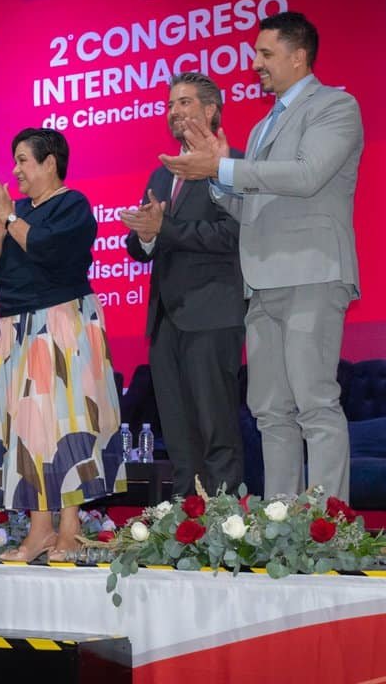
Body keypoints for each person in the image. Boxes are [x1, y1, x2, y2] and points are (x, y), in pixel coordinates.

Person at [161, 11, 362, 501]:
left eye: (265, 54)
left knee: (314, 403)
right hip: (261, 280)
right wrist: (216, 176)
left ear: (299, 56)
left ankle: (327, 526)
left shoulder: (334, 105)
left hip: (311, 269)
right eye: (256, 54)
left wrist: (227, 166)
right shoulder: (260, 128)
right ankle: (281, 522)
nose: (255, 64)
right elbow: (242, 205)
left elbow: (308, 174)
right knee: (270, 409)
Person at [0, 127, 127, 561]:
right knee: (28, 429)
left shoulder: (71, 205)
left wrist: (9, 218)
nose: (16, 170)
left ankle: (69, 528)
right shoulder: (13, 211)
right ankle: (39, 528)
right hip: (16, 329)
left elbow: (44, 248)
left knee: (66, 423)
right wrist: (0, 226)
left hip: (61, 324)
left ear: (49, 163)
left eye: (23, 160)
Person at [123, 72, 246, 497]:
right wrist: (144, 234)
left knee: (217, 433)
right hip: (164, 321)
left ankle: (226, 530)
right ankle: (185, 529)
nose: (175, 111)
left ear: (211, 110)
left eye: (186, 103)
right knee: (178, 438)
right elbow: (144, 246)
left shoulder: (233, 165)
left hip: (212, 315)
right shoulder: (162, 173)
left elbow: (234, 236)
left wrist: (167, 229)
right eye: (171, 104)